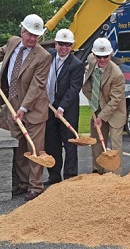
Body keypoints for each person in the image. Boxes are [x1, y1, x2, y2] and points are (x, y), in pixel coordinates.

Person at [0, 14, 51, 201]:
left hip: (34, 109)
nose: (32, 39)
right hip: (12, 104)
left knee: (35, 150)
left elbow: (37, 86)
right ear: (22, 31)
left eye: (36, 36)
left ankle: (36, 187)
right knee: (19, 147)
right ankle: (23, 183)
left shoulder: (43, 56)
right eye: (29, 34)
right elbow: (0, 51)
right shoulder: (13, 42)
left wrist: (24, 109)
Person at [44, 29, 84, 185]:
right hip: (49, 106)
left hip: (67, 110)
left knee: (70, 143)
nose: (64, 48)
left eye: (67, 45)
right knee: (51, 143)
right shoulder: (49, 56)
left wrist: (61, 107)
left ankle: (70, 177)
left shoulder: (76, 64)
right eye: (61, 44)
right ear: (56, 43)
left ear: (72, 46)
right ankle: (54, 176)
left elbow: (74, 89)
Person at [82, 38, 126, 175]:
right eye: (99, 56)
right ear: (94, 55)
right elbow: (88, 83)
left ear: (111, 55)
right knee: (96, 142)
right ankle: (98, 171)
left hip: (115, 112)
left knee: (115, 145)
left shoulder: (117, 74)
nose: (102, 60)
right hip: (97, 107)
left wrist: (101, 116)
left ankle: (114, 174)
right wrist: (93, 103)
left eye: (105, 56)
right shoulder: (91, 60)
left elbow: (115, 100)